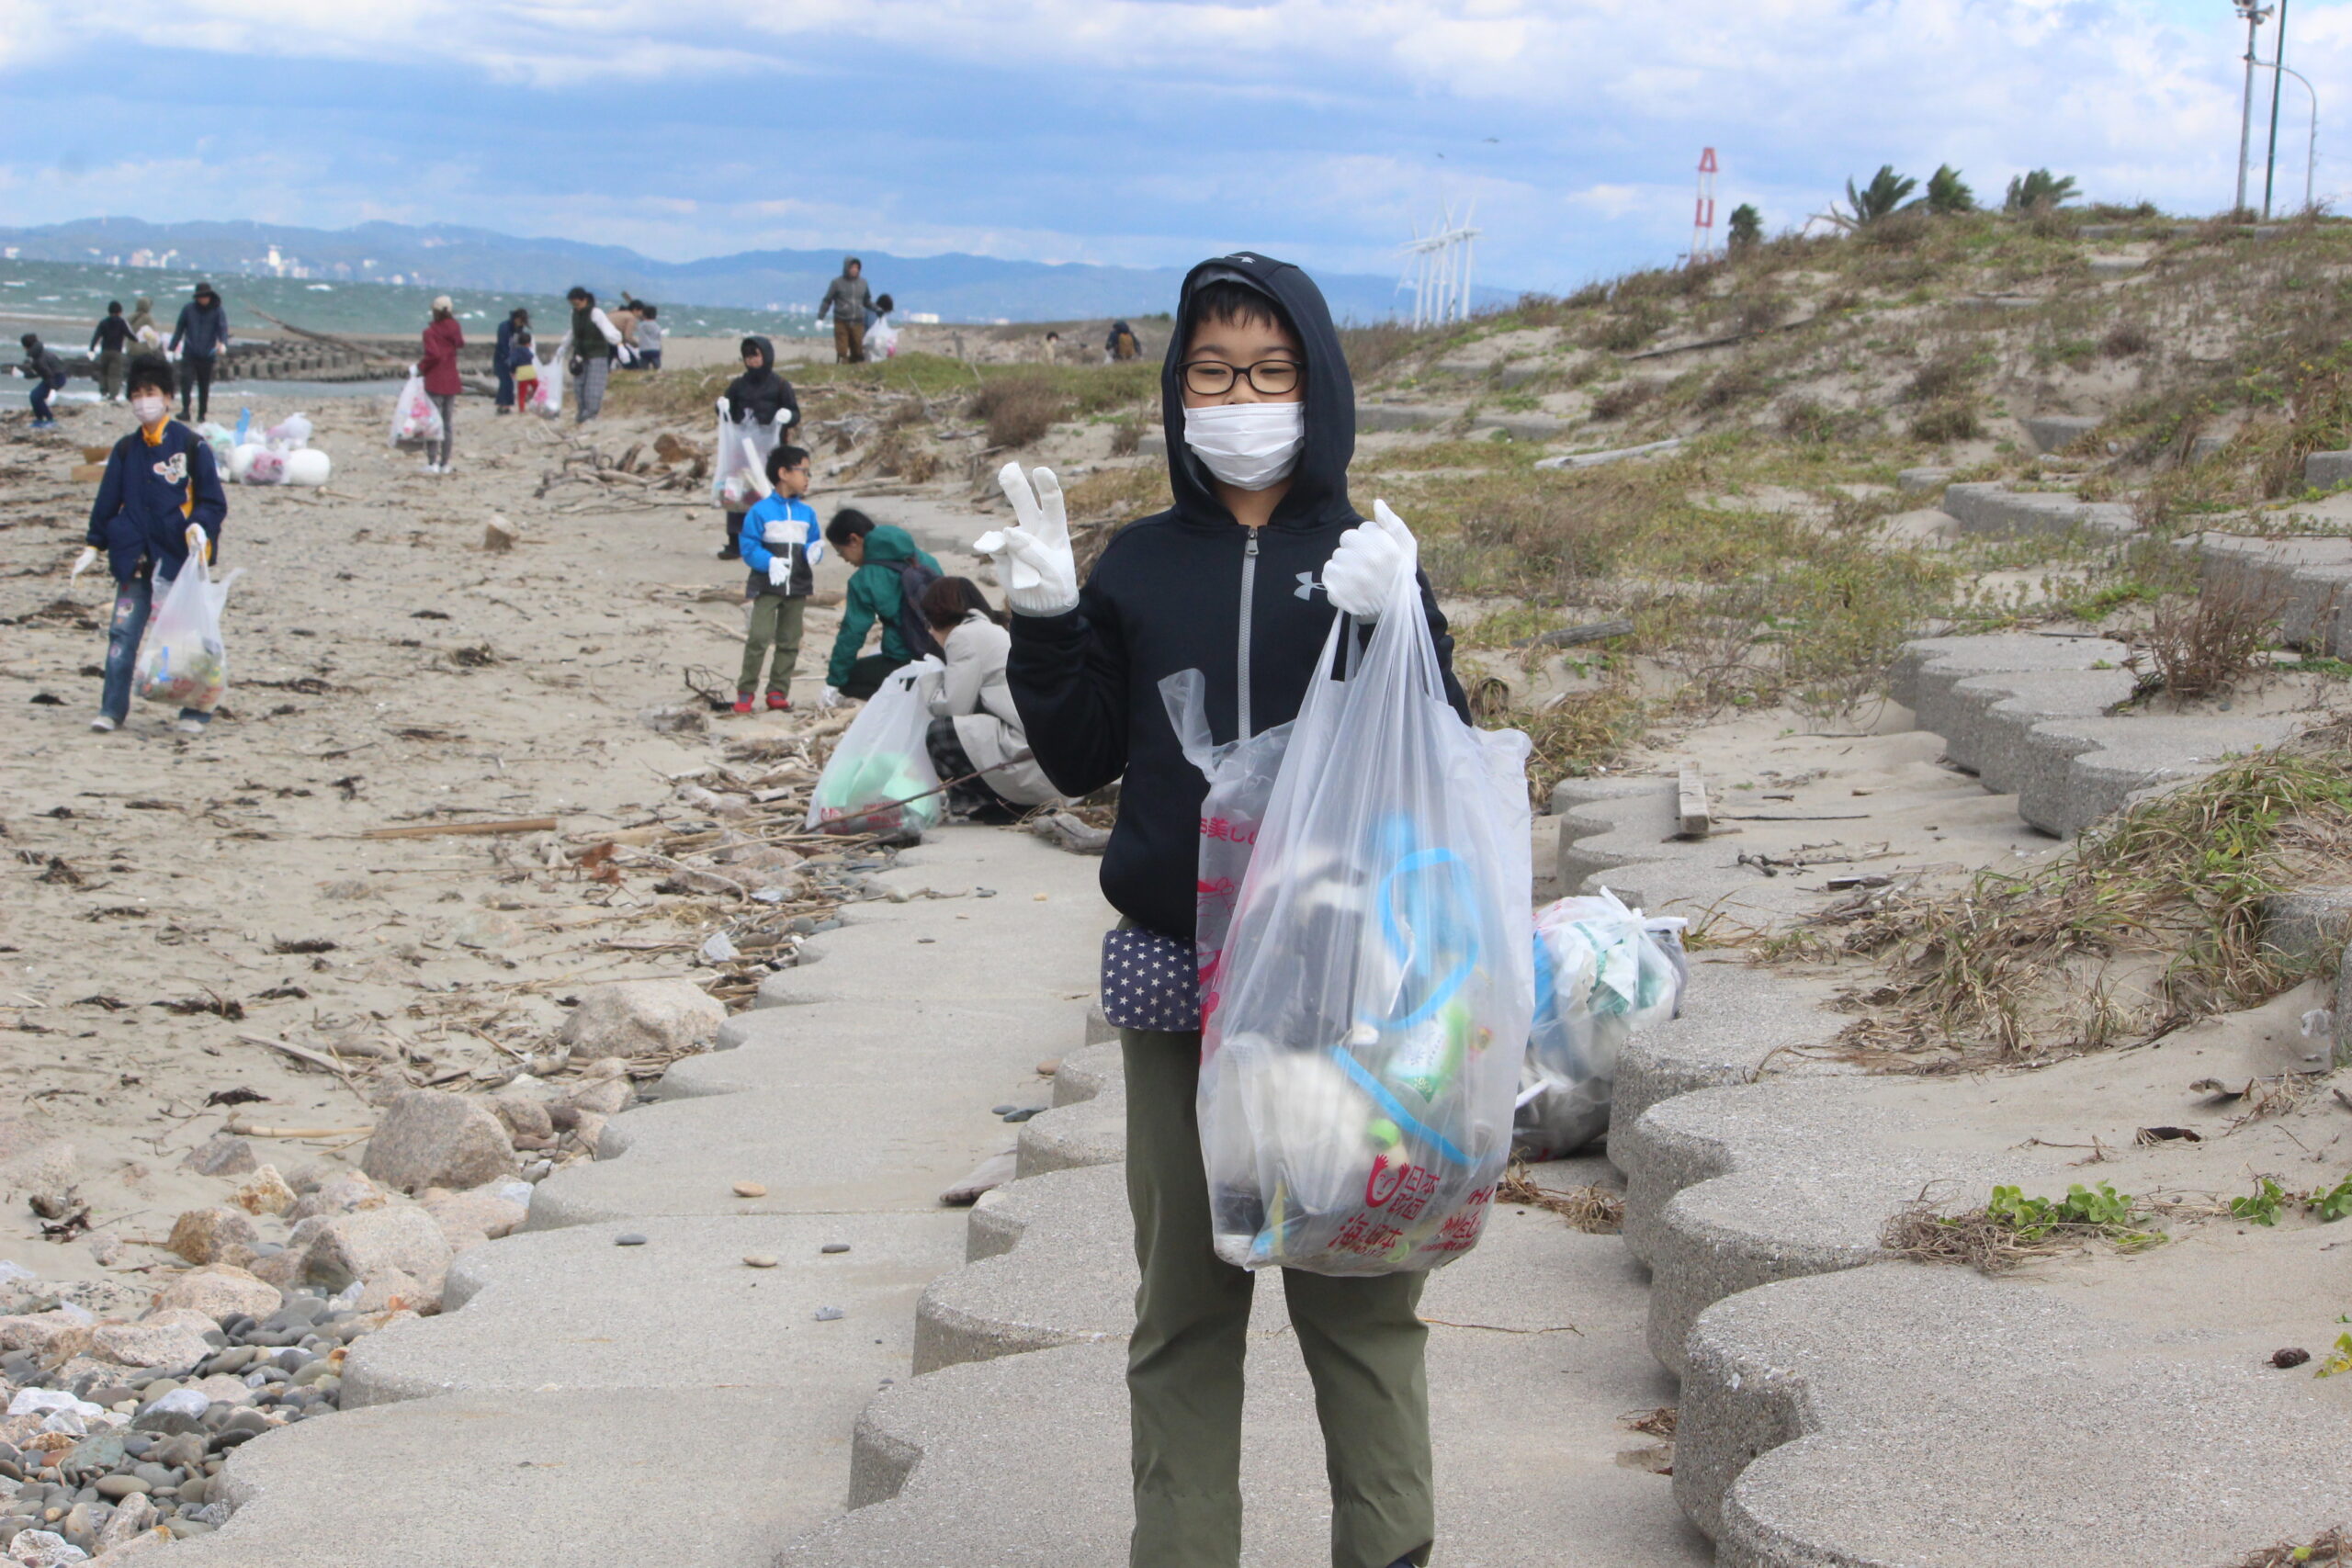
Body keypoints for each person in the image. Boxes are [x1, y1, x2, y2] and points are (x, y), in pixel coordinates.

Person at [979, 253, 1464, 1568]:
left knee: (1358, 1298)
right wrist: (1044, 618)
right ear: (1176, 392)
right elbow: (1080, 758)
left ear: (1318, 387)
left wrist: (1386, 624)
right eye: (1212, 372)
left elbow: (1439, 751)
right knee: (1186, 1303)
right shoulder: (1141, 561)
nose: (1239, 397)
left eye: (1268, 372)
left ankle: (1389, 1545)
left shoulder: (1366, 555)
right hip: (1177, 983)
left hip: (1340, 984)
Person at [74, 355, 228, 736]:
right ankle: (111, 710)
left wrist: (199, 528)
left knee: (189, 639)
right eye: (138, 395)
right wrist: (94, 544)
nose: (144, 401)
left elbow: (213, 501)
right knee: (121, 636)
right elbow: (107, 501)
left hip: (178, 559)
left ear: (169, 398)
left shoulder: (192, 446)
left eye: (151, 393)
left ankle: (195, 711)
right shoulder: (126, 449)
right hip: (133, 559)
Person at [918, 576, 1060, 822]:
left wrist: (929, 681)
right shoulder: (993, 629)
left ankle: (988, 802)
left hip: (1024, 753)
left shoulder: (963, 636)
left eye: (929, 624)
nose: (930, 632)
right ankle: (1005, 801)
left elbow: (953, 707)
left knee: (940, 732)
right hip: (1044, 753)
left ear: (938, 616)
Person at [733, 444, 822, 715]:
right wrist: (768, 561)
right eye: (803, 472)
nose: (807, 478)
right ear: (783, 473)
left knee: (790, 639)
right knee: (759, 637)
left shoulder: (807, 513)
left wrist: (814, 551)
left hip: (797, 586)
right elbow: (748, 547)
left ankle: (777, 690)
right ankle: (746, 690)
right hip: (767, 585)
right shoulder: (760, 511)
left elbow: (814, 541)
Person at [820, 508, 942, 705]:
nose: (844, 558)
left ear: (854, 540)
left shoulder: (863, 579)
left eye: (841, 551)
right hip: (942, 652)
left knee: (849, 677)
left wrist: (834, 680)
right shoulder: (924, 559)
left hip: (906, 658)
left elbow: (853, 633)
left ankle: (903, 696)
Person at [716, 336, 801, 559]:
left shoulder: (781, 385)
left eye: (756, 355)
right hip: (741, 450)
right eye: (748, 356)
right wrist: (721, 407)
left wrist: (786, 416)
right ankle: (735, 541)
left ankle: (770, 540)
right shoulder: (738, 385)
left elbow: (795, 413)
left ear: (766, 356)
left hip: (770, 451)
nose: (752, 360)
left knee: (768, 494)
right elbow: (728, 411)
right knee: (738, 494)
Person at [559, 287, 623, 422]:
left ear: (584, 300)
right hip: (580, 356)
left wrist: (620, 345)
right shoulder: (574, 313)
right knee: (579, 387)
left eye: (577, 304)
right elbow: (572, 331)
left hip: (597, 355)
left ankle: (591, 415)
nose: (576, 307)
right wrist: (563, 347)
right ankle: (581, 414)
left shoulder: (596, 313)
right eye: (573, 304)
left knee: (593, 387)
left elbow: (609, 331)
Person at [167, 282, 229, 423]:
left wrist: (223, 343)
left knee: (204, 385)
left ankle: (202, 414)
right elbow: (179, 329)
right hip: (190, 352)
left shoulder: (217, 310)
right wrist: (171, 348)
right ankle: (185, 411)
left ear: (209, 296)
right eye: (200, 297)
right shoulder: (188, 309)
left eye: (205, 297)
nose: (202, 299)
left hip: (208, 354)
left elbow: (222, 329)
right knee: (186, 382)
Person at [418, 297, 465, 475]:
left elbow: (433, 355)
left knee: (432, 422)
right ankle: (445, 463)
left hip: (435, 380)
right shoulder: (455, 327)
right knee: (447, 424)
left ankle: (432, 462)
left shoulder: (429, 332)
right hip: (451, 380)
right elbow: (460, 343)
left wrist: (419, 368)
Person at [816, 257, 872, 364]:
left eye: (857, 267)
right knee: (842, 350)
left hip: (858, 321)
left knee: (858, 350)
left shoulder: (863, 283)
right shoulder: (837, 283)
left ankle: (855, 369)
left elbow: (867, 301)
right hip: (841, 321)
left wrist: (877, 309)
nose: (855, 270)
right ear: (847, 268)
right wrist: (820, 318)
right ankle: (842, 367)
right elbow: (827, 300)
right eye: (852, 267)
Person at [19, 334, 66, 428]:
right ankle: (40, 419)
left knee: (36, 396)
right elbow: (40, 372)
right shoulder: (40, 352)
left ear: (25, 346)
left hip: (56, 378)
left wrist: (53, 389)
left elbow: (47, 374)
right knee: (35, 395)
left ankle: (49, 420)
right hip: (57, 376)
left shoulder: (38, 358)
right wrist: (24, 375)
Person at [90, 302, 134, 402]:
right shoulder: (122, 322)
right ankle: (113, 396)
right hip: (116, 352)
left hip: (105, 351)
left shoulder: (103, 322)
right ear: (120, 312)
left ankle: (103, 393)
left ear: (109, 311)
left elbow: (96, 337)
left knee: (104, 373)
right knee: (114, 375)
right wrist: (138, 339)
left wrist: (91, 348)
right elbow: (129, 334)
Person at [493, 308, 526, 412]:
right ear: (516, 319)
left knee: (506, 382)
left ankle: (501, 404)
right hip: (501, 358)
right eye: (520, 321)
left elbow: (519, 344)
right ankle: (505, 405)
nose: (521, 324)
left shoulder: (519, 328)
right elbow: (503, 345)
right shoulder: (504, 327)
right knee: (506, 382)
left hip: (512, 357)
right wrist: (509, 359)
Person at [511, 328, 541, 414]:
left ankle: (522, 409)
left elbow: (513, 362)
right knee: (537, 387)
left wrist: (513, 371)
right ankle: (538, 404)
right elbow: (531, 356)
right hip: (530, 371)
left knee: (521, 393)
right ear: (528, 343)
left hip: (521, 372)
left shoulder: (516, 351)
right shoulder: (528, 351)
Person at [632, 303, 662, 371]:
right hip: (655, 349)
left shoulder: (641, 325)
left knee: (643, 368)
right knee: (657, 368)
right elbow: (659, 338)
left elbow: (636, 327)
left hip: (644, 350)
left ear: (644, 315)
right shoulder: (657, 326)